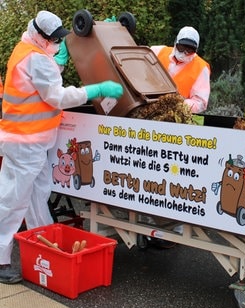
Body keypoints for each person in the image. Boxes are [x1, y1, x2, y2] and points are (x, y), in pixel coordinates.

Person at [0, 10, 123, 284]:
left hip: (32, 141)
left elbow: (44, 77)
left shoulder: (29, 50)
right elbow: (56, 96)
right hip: (24, 142)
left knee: (36, 196)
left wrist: (60, 62)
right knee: (12, 202)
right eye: (53, 40)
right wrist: (94, 89)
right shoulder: (35, 58)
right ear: (40, 35)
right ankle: (1, 260)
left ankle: (42, 243)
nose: (57, 43)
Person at [151, 26, 211, 114]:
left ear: (196, 50)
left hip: (174, 115)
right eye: (181, 47)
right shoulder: (157, 51)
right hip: (146, 105)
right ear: (176, 43)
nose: (184, 53)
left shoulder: (202, 68)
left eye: (189, 50)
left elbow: (200, 102)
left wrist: (178, 104)